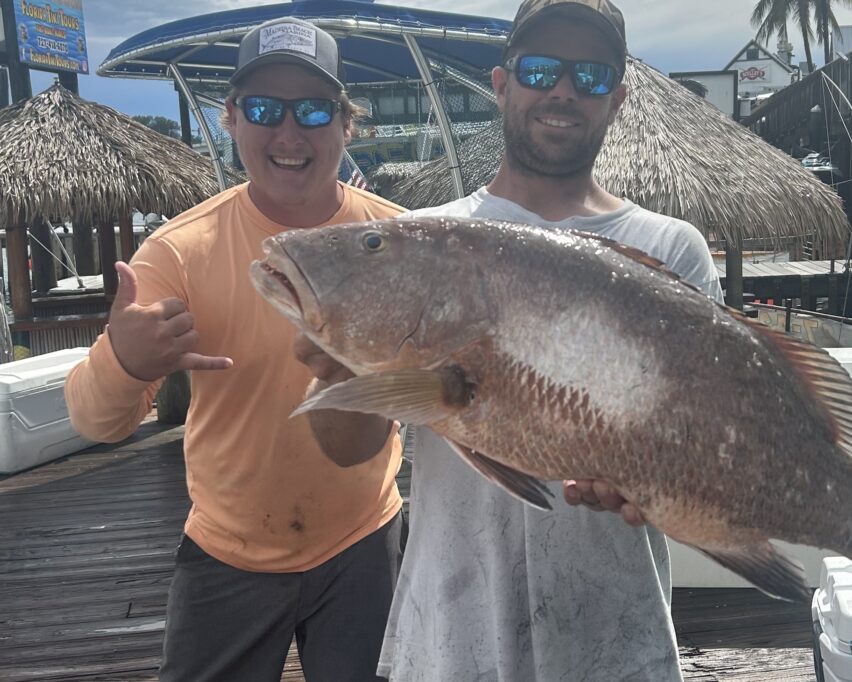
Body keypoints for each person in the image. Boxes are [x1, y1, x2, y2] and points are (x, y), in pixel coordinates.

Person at [299, 1, 724, 679]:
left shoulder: (670, 248)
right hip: (452, 630)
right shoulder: (426, 238)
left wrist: (660, 484)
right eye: (540, 69)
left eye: (589, 75)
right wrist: (338, 366)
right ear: (503, 84)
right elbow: (350, 452)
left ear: (616, 99)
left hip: (613, 636)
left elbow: (704, 439)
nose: (563, 90)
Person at [65, 17, 406, 682]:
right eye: (263, 109)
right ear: (231, 120)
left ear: (346, 125)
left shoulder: (397, 239)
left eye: (312, 110)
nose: (288, 133)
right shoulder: (177, 252)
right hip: (228, 550)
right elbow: (95, 422)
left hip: (366, 538)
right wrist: (124, 361)